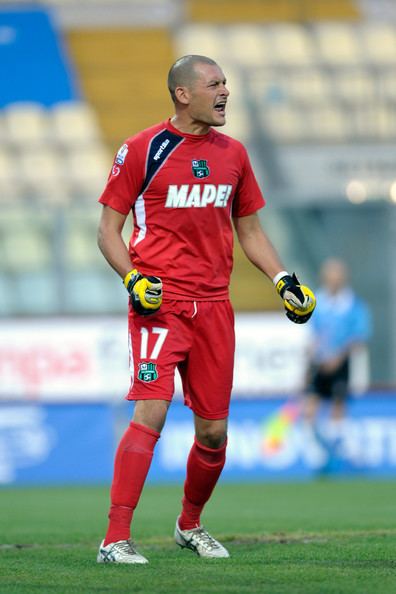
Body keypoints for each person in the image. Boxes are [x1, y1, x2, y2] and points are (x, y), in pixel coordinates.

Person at [96, 54, 315, 564]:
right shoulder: (141, 149)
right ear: (183, 93)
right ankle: (115, 538)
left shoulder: (234, 154)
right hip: (160, 305)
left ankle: (189, 524)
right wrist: (133, 279)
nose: (224, 93)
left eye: (226, 84)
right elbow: (108, 231)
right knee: (151, 408)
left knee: (214, 433)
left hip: (215, 306)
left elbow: (252, 232)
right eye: (215, 84)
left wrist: (284, 280)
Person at [304, 258, 371, 427]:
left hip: (340, 364)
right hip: (319, 363)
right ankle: (312, 443)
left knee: (338, 405)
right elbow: (312, 333)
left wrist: (338, 358)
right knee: (311, 402)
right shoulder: (316, 301)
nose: (332, 278)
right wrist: (314, 354)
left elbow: (359, 337)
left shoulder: (354, 305)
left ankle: (336, 442)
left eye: (336, 274)